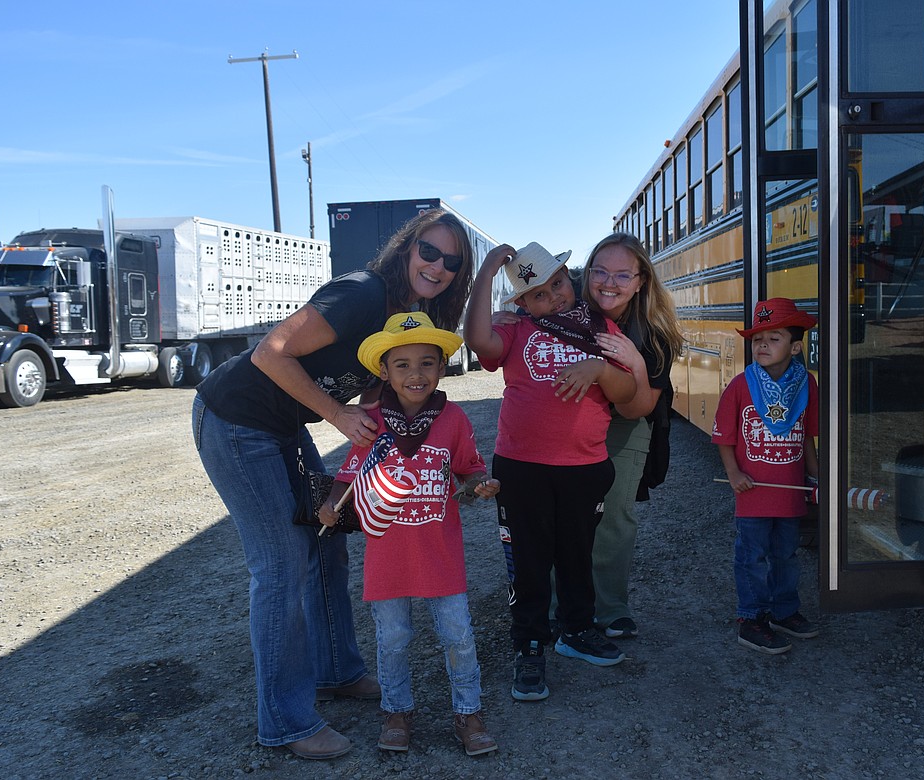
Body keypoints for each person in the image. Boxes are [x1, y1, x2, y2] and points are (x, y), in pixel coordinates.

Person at [191, 208, 474, 759]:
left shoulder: (405, 313)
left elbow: (375, 391)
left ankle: (337, 671)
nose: (437, 266)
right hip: (235, 419)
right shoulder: (364, 292)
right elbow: (271, 351)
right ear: (407, 248)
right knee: (280, 565)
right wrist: (337, 417)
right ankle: (285, 721)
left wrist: (403, 434)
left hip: (282, 423)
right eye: (429, 251)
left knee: (327, 544)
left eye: (452, 262)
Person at [318, 311, 500, 756]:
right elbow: (348, 474)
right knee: (393, 638)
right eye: (402, 365)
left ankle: (468, 713)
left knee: (458, 634)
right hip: (388, 555)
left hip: (440, 552)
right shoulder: (368, 421)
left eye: (426, 363)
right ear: (384, 371)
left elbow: (470, 469)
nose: (415, 374)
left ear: (442, 368)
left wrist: (480, 485)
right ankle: (397, 712)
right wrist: (330, 504)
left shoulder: (454, 419)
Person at [464, 241, 636, 702]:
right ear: (522, 302)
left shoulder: (600, 328)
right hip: (522, 467)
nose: (554, 296)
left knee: (578, 554)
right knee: (530, 561)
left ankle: (576, 630)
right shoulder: (517, 330)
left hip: (584, 466)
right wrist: (486, 274)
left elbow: (627, 390)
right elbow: (478, 340)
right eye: (538, 293)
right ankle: (530, 645)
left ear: (569, 277)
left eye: (558, 283)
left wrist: (598, 367)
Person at [580, 233, 683, 640]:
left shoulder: (655, 334)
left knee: (612, 513)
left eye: (623, 274)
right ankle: (557, 604)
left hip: (624, 421)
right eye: (601, 271)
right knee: (559, 514)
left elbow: (636, 408)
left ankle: (610, 607)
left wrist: (635, 363)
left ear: (641, 280)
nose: (610, 282)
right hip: (568, 418)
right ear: (587, 273)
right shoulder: (564, 310)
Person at [712, 298, 820, 655]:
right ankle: (751, 617)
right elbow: (725, 438)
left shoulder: (807, 385)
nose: (763, 345)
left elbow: (806, 438)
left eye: (774, 338)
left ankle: (783, 610)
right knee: (752, 556)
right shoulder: (740, 386)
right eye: (758, 338)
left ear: (796, 346)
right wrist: (734, 474)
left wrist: (816, 480)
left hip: (789, 491)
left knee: (786, 554)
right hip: (753, 491)